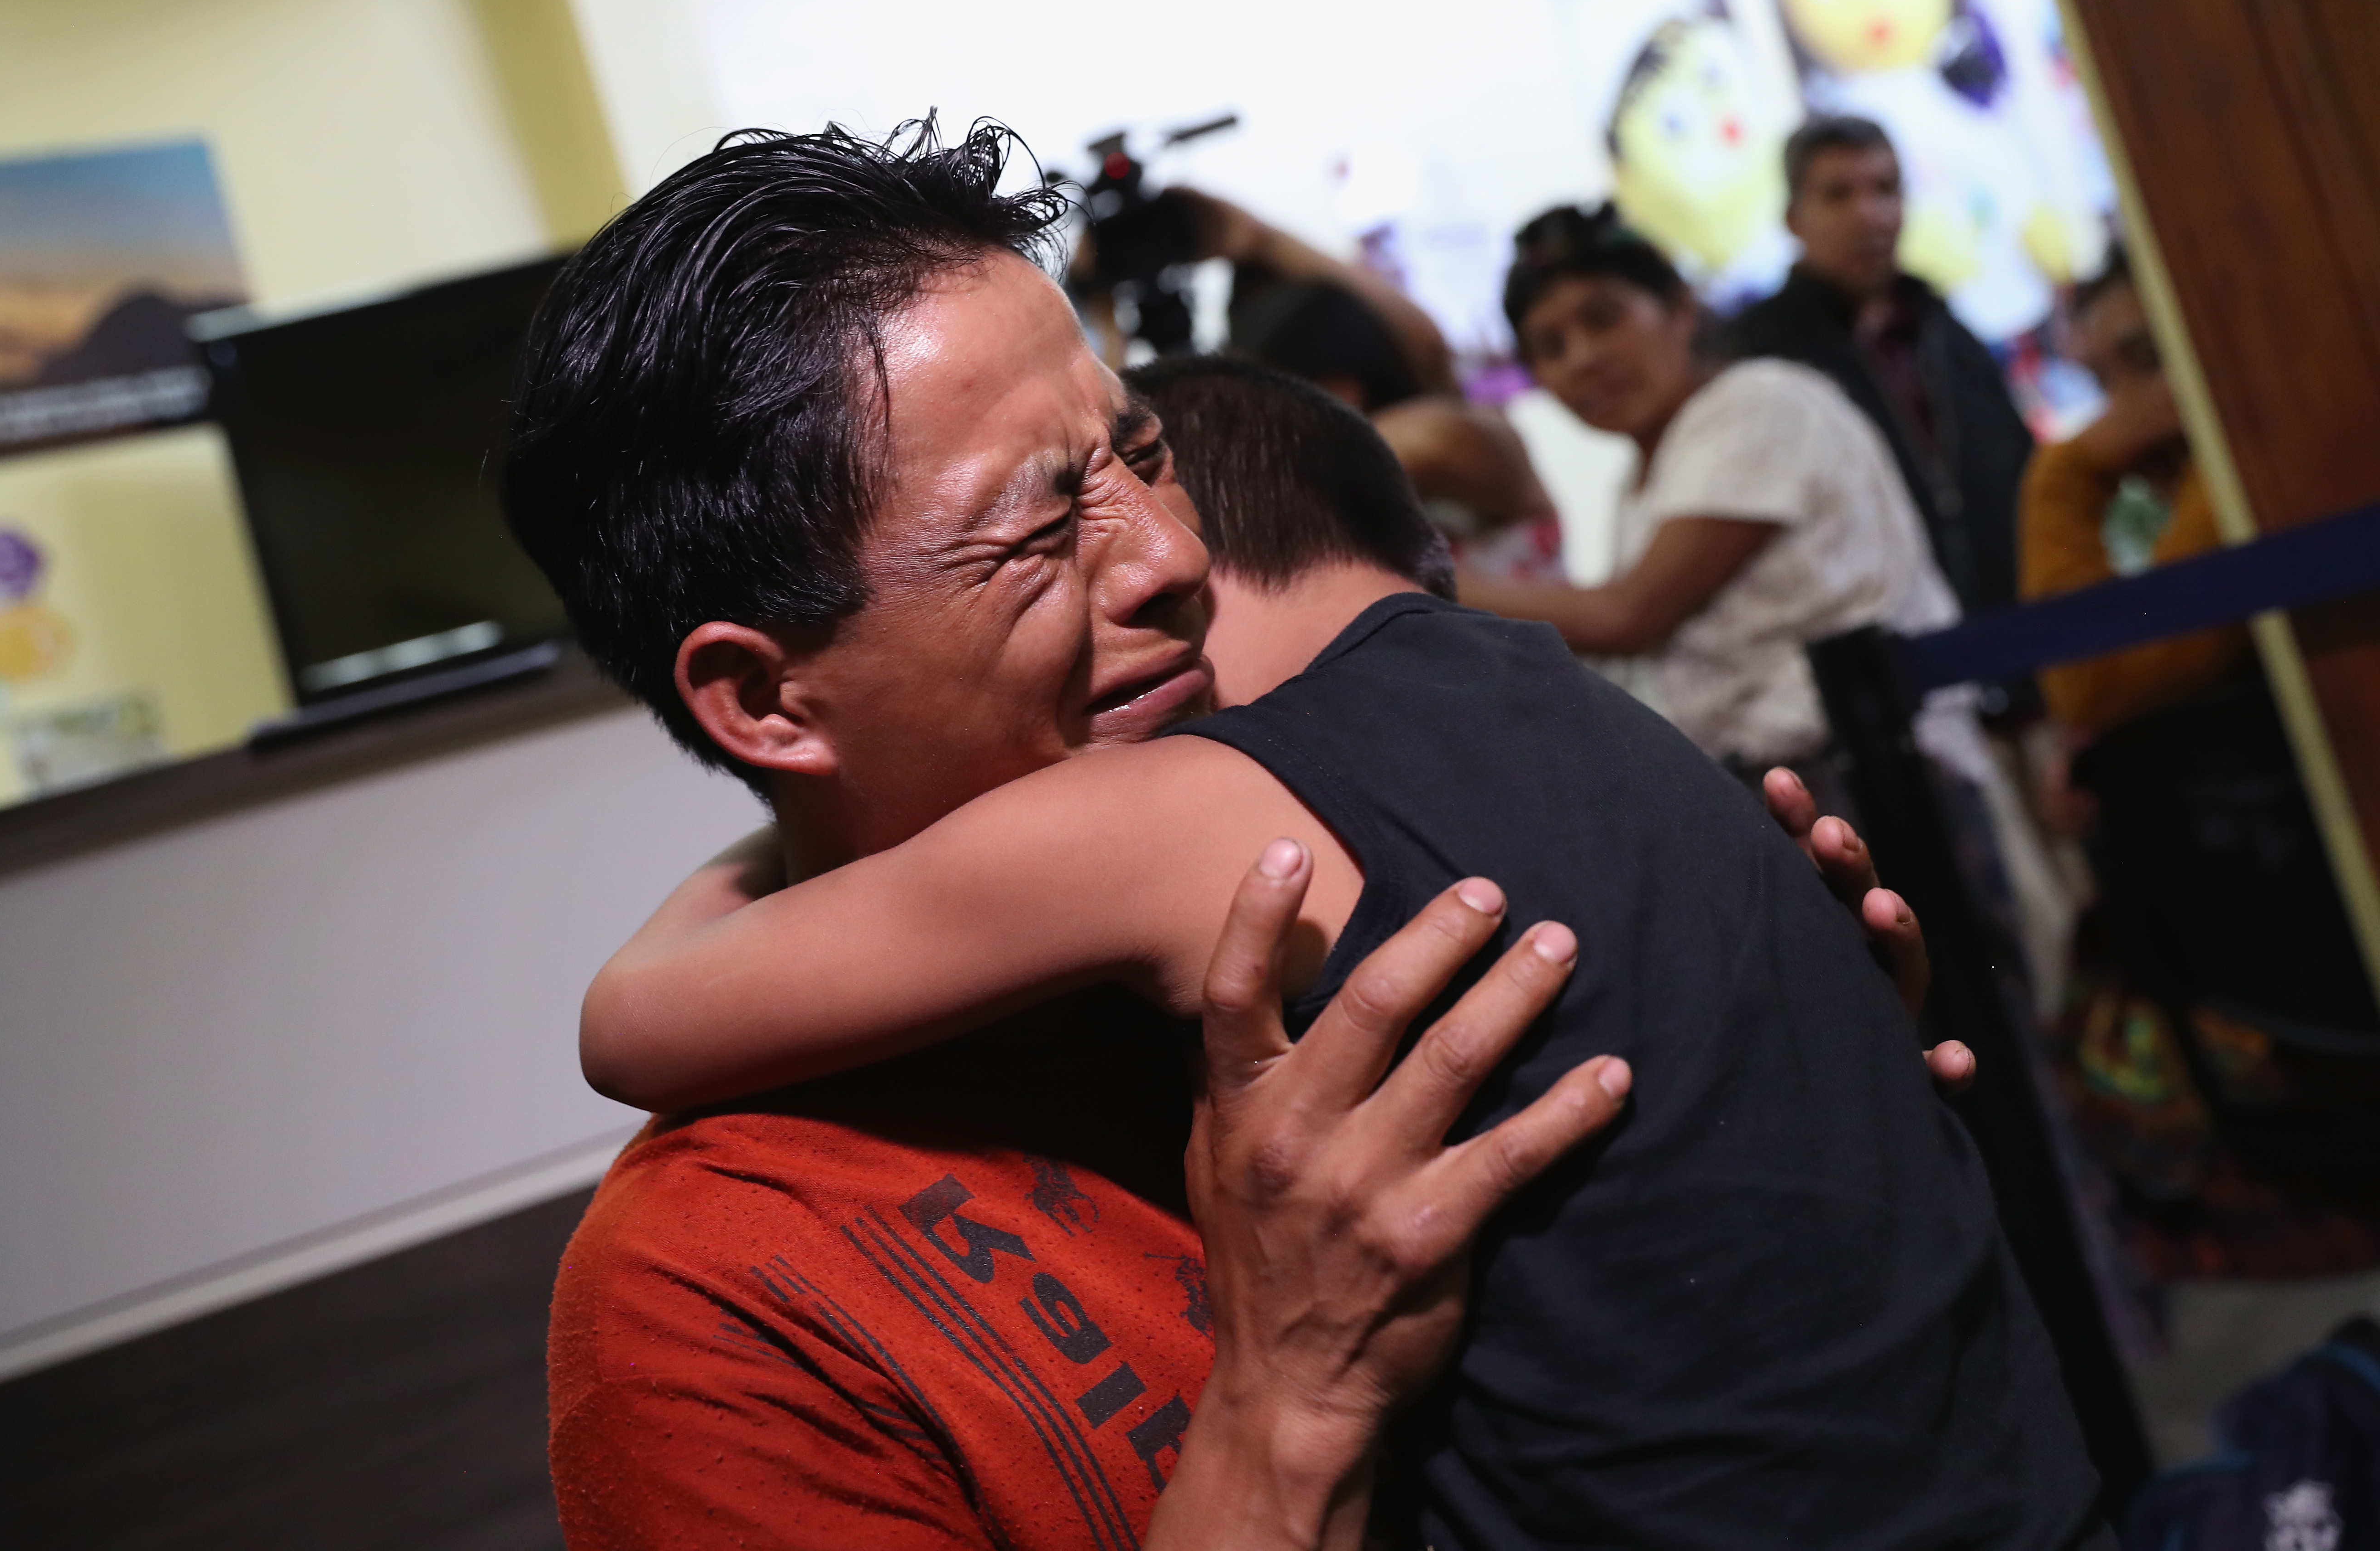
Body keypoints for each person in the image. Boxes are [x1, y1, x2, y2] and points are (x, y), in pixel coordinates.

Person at [520, 125, 2098, 1549]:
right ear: (762, 699)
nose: (1172, 557)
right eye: (1034, 522)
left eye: (1141, 456)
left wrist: (1753, 1093)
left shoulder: (1270, 878)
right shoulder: (719, 1290)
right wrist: (1289, 1403)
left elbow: (634, 1009)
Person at [1459, 202, 1969, 807]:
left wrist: (1420, 582)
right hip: (1779, 792)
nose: (1582, 359)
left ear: (1680, 309)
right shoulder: (1646, 471)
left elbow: (1626, 618)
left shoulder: (1758, 405)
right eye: (1551, 347)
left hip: (1882, 787)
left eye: (1603, 318)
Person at [1728, 114, 2038, 626]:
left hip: (2015, 641)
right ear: (1793, 218)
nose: (1869, 215)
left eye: (1886, 190)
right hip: (1884, 663)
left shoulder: (1947, 332)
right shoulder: (1761, 358)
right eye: (1838, 195)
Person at [1174, 189, 1566, 588]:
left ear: (1339, 392)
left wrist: (1264, 238)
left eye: (1261, 407)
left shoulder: (1450, 438)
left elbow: (1428, 350)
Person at [2019, 247, 2251, 733]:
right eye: (2104, 385)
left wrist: (2066, 476)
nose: (2121, 417)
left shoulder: (2253, 463)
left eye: (2148, 361)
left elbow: (2094, 682)